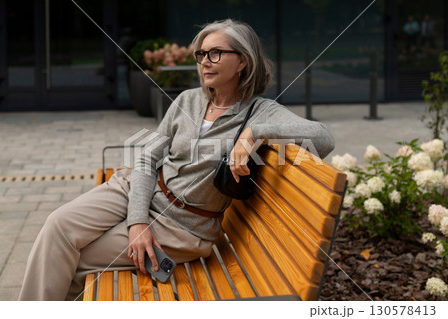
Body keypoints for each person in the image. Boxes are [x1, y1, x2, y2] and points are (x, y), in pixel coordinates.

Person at [18, 19, 335, 301]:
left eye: (215, 53)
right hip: (134, 187)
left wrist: (254, 133)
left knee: (73, 260)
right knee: (57, 227)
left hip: (181, 227)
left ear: (243, 61)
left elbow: (323, 139)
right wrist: (138, 220)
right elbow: (147, 158)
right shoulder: (187, 100)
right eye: (200, 54)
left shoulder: (261, 111)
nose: (204, 62)